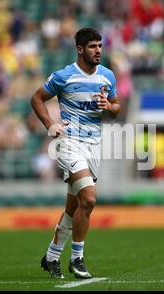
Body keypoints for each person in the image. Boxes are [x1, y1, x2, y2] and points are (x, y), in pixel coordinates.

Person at [30, 28, 121, 279]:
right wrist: (51, 124)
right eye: (92, 46)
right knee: (89, 199)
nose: (98, 50)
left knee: (73, 207)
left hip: (94, 146)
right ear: (80, 49)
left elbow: (116, 107)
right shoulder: (64, 76)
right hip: (69, 144)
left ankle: (51, 257)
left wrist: (109, 106)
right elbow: (37, 98)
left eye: (100, 46)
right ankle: (77, 258)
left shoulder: (107, 76)